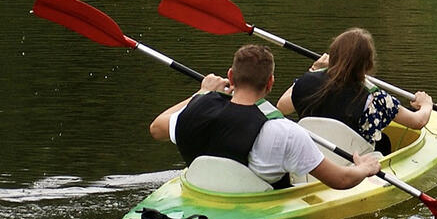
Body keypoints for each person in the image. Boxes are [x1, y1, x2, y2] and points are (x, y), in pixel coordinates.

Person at [150, 44, 380, 190]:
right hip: (252, 207)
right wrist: (363, 168)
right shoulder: (285, 132)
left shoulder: (196, 111)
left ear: (231, 75)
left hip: (203, 194)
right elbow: (340, 181)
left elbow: (156, 128)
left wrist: (202, 93)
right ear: (270, 83)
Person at [276, 28, 433, 154]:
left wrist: (313, 71)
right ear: (368, 64)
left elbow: (281, 107)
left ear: (332, 56)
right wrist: (426, 104)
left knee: (383, 139)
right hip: (355, 164)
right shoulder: (375, 97)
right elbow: (417, 122)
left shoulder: (305, 83)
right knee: (383, 141)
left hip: (315, 160)